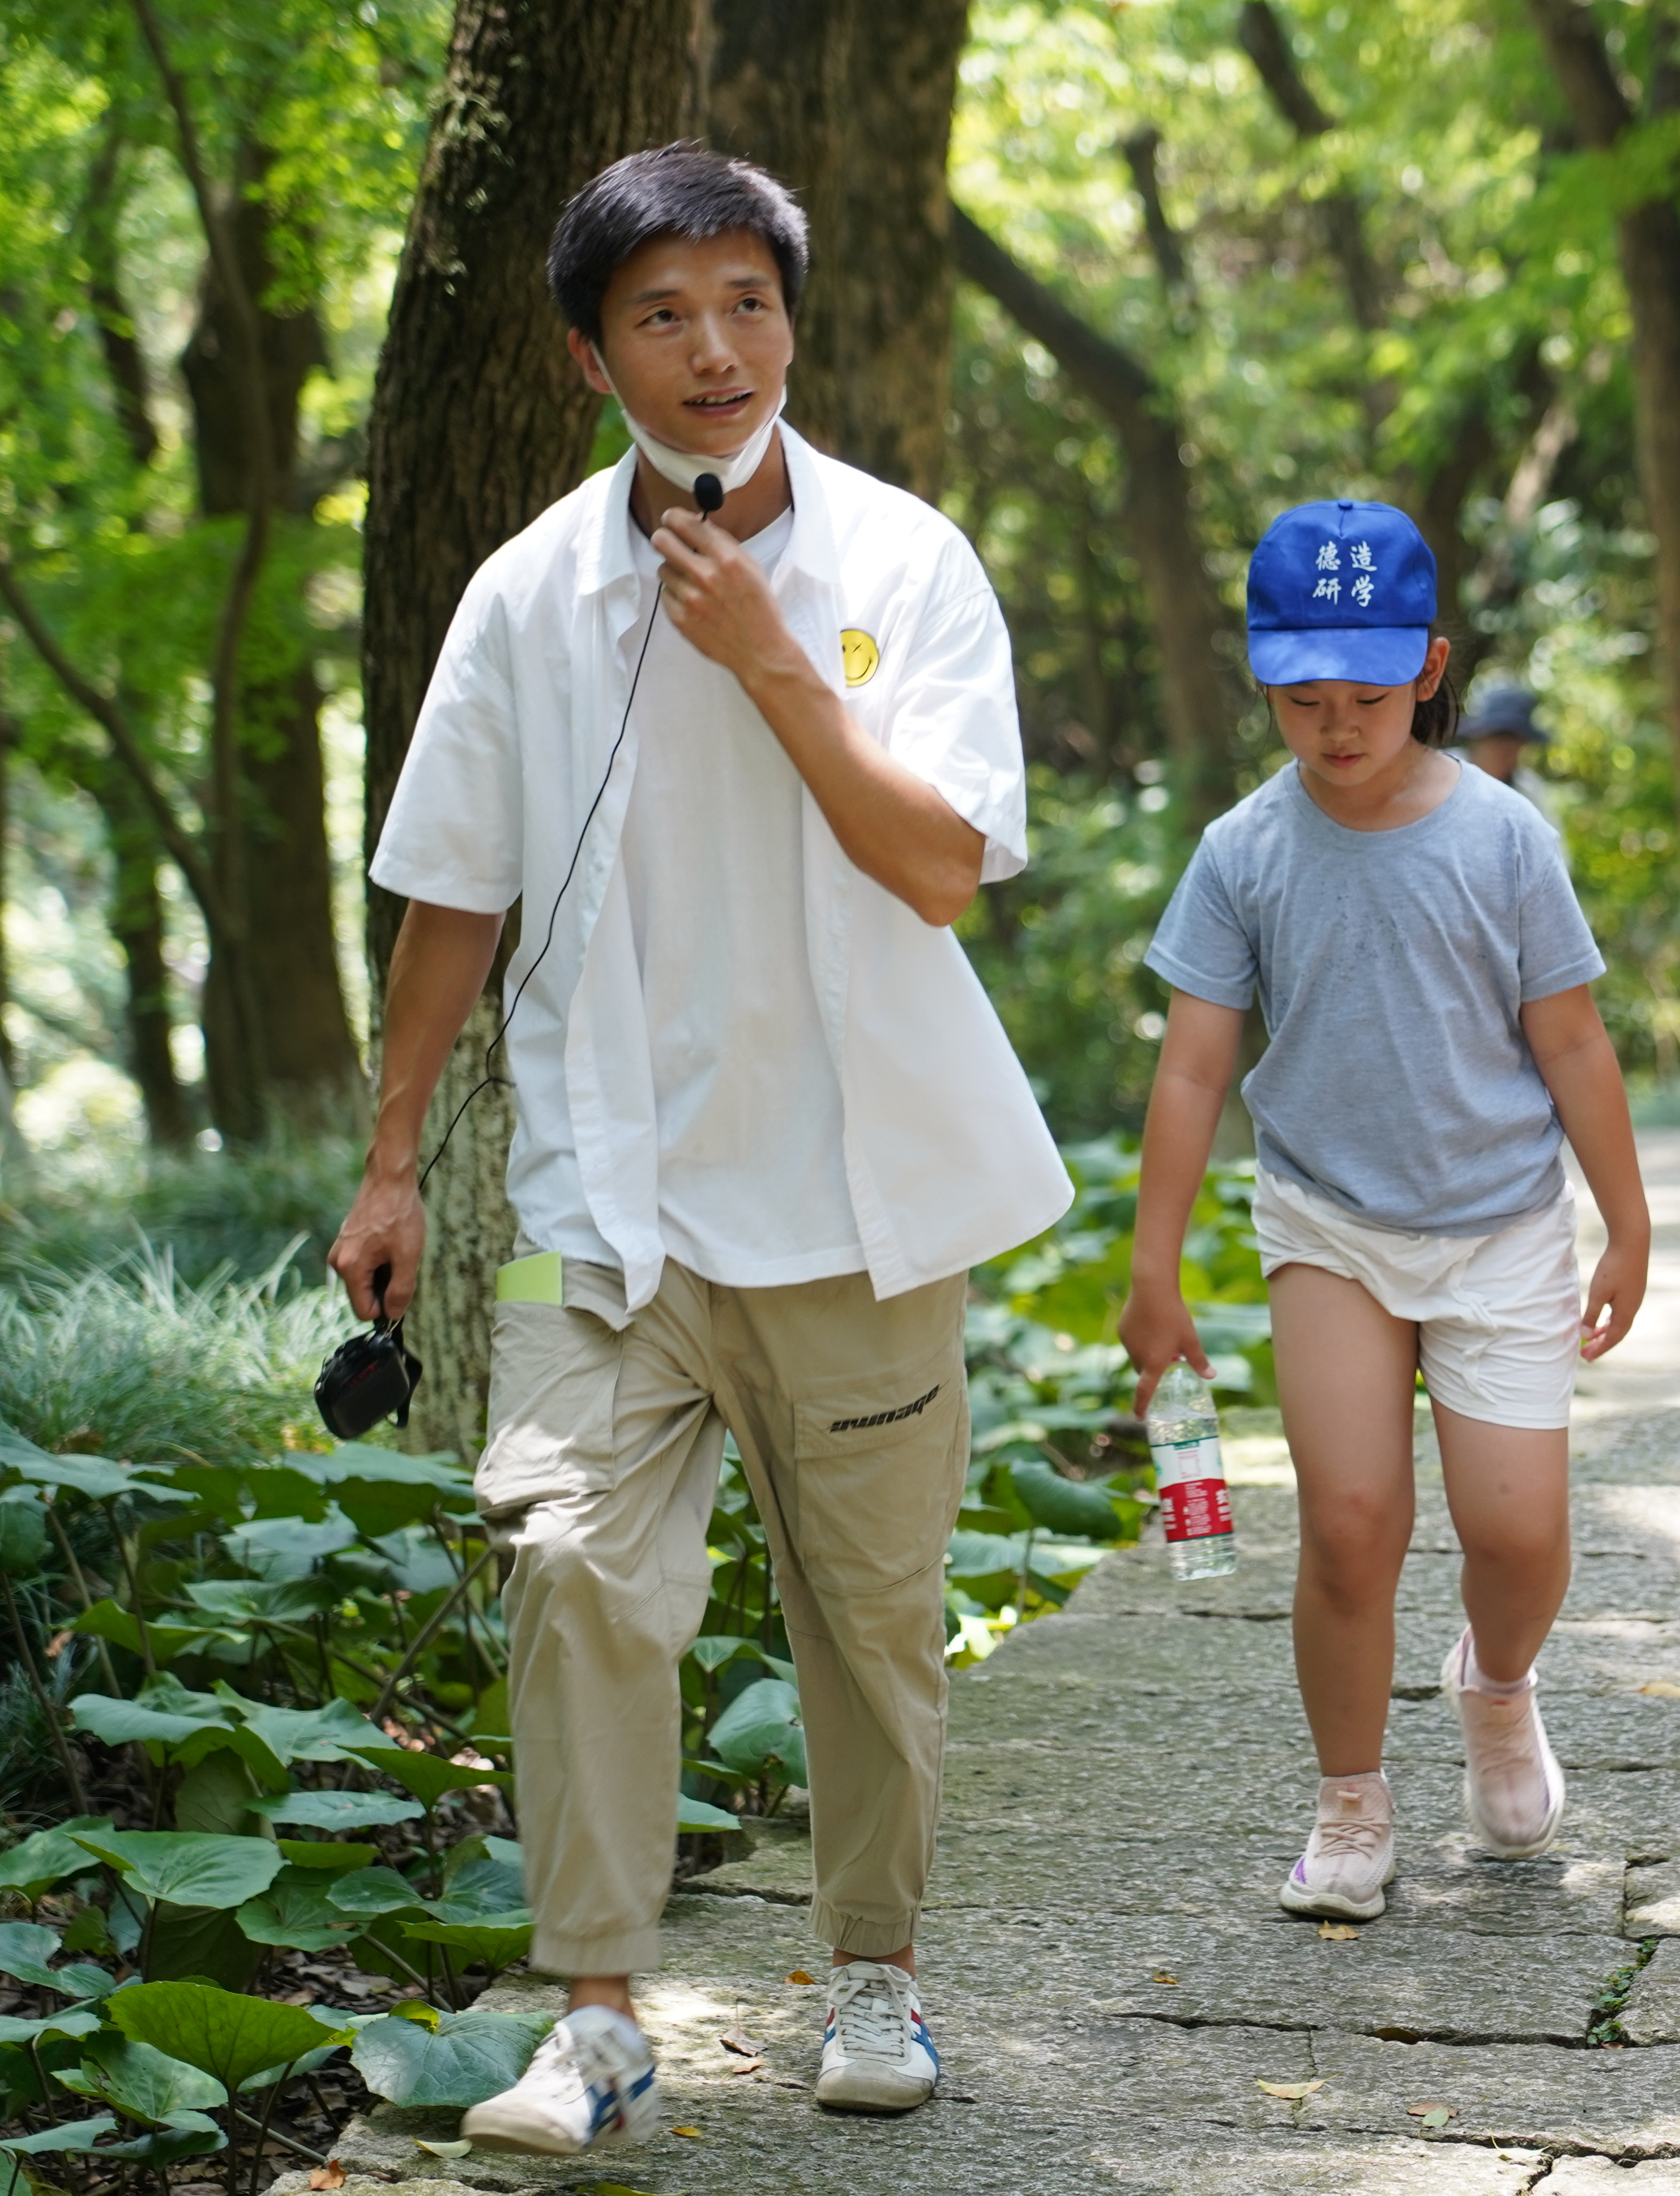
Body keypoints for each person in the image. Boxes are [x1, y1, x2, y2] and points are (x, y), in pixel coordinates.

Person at [331, 147, 1071, 2156]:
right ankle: (593, 2012)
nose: (711, 347)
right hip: (610, 1208)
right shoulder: (522, 593)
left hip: (859, 1197)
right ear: (593, 354)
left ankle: (875, 1971)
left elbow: (939, 866)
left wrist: (767, 655)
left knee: (870, 1615)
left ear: (791, 328)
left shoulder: (904, 564)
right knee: (568, 1560)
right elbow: (447, 898)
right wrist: (393, 1157)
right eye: (661, 313)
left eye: (745, 302)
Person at [1118, 500, 1651, 1922]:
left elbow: (1575, 1042)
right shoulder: (1244, 851)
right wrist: (1153, 1264)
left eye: (1365, 695)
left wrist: (1630, 1220)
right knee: (1350, 1523)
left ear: (1430, 665)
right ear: (1261, 681)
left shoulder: (1503, 839)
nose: (1335, 727)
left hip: (1499, 1223)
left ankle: (1497, 1682)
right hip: (1329, 1223)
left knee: (1519, 1531)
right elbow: (1192, 1063)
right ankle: (1351, 1797)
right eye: (1302, 699)